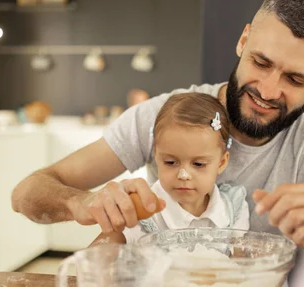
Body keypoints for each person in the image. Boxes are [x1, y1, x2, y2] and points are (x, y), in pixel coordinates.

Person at [11, 0, 304, 277]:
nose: (268, 90)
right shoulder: (165, 117)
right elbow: (26, 195)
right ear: (243, 41)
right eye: (261, 62)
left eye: (294, 79)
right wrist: (81, 202)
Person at [91, 93, 249, 246]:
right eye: (171, 162)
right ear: (156, 156)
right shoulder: (143, 211)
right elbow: (96, 256)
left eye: (199, 164)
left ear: (221, 163)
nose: (184, 175)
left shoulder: (233, 208)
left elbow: (242, 265)